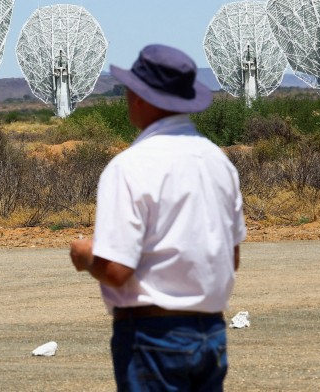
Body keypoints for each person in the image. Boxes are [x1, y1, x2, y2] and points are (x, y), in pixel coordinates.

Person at [69, 44, 246, 391]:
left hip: (153, 338)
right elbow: (232, 257)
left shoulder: (129, 167)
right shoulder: (218, 163)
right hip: (210, 335)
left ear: (141, 99)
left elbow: (117, 272)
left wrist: (85, 256)